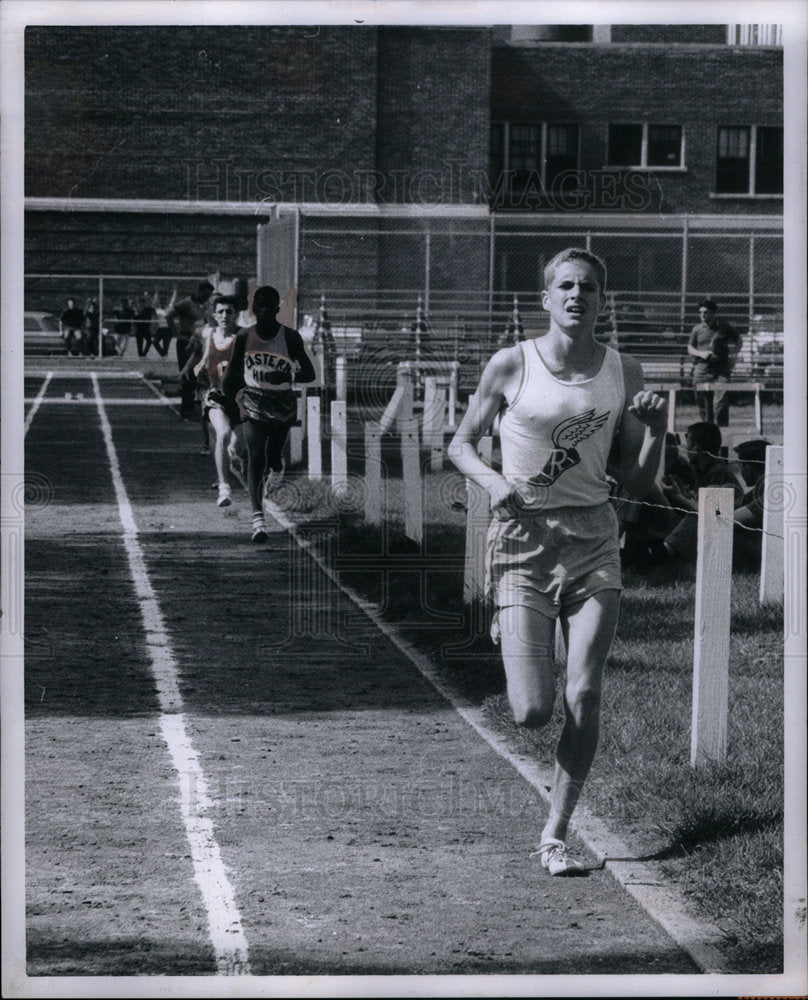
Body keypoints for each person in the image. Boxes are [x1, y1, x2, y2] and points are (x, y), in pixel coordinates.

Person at [448, 247, 667, 875]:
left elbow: (639, 482)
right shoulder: (512, 363)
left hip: (595, 539)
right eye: (566, 286)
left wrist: (655, 428)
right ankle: (511, 620)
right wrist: (492, 483)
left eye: (589, 288)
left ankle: (556, 832)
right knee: (531, 710)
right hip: (522, 541)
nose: (577, 296)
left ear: (603, 301)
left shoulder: (626, 369)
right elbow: (460, 445)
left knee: (586, 690)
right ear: (545, 299)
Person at [222, 285, 317, 542]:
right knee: (256, 457)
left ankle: (278, 466)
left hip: (282, 403)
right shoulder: (244, 337)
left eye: (269, 306)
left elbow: (310, 374)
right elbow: (230, 376)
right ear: (253, 310)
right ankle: (258, 520)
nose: (264, 311)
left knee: (274, 455)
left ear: (277, 309)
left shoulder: (290, 337)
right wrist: (230, 404)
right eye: (259, 306)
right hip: (253, 400)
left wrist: (287, 374)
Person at [184, 295, 242, 507]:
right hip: (213, 393)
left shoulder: (244, 336)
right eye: (221, 312)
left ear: (236, 314)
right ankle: (224, 488)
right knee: (223, 433)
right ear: (214, 315)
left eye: (229, 311)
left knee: (236, 449)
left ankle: (231, 464)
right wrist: (197, 365)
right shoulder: (207, 333)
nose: (225, 315)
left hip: (239, 397)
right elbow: (197, 335)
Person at [661, 422, 745, 561]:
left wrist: (681, 498)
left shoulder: (719, 474)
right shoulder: (702, 470)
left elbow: (709, 513)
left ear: (697, 448)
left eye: (688, 445)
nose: (686, 449)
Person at [687, 298, 742, 427]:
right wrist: (701, 353)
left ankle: (722, 433)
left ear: (713, 313)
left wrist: (733, 356)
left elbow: (738, 341)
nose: (702, 315)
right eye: (700, 312)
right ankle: (707, 431)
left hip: (720, 370)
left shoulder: (724, 327)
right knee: (703, 404)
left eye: (706, 312)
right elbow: (690, 348)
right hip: (702, 369)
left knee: (720, 403)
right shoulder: (697, 329)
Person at [166, 281, 215, 419]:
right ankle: (186, 409)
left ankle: (193, 405)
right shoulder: (186, 303)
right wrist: (175, 333)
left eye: (209, 295)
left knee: (198, 374)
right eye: (205, 294)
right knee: (188, 375)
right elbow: (169, 316)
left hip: (198, 342)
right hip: (185, 341)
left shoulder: (204, 306)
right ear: (199, 291)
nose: (207, 297)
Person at [134, 292, 157, 358]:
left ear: (144, 303)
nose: (141, 304)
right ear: (139, 303)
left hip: (146, 328)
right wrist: (135, 327)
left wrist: (154, 295)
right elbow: (134, 319)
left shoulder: (148, 309)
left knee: (149, 342)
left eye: (142, 302)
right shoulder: (137, 310)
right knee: (139, 343)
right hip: (139, 328)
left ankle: (144, 354)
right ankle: (141, 355)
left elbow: (154, 305)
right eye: (140, 302)